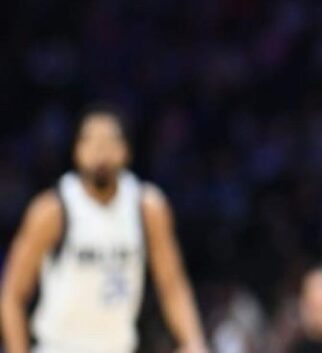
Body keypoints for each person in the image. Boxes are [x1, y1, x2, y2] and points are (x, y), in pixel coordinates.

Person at [0, 107, 208, 353]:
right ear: (77, 151)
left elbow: (172, 284)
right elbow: (12, 295)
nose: (100, 150)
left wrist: (193, 341)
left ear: (126, 150)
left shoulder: (147, 207)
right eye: (91, 140)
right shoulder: (52, 210)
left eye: (110, 140)